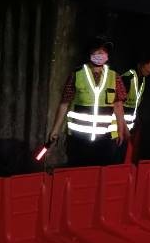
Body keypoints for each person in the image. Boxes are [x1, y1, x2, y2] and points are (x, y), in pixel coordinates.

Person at [49, 36, 129, 166]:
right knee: (78, 171)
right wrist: (55, 130)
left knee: (100, 173)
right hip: (78, 139)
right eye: (97, 50)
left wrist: (120, 129)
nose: (101, 53)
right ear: (89, 52)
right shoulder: (77, 74)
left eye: (104, 50)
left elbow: (118, 105)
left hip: (105, 140)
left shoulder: (114, 76)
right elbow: (64, 104)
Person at [115, 50, 150, 163]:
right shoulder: (128, 78)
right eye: (149, 63)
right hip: (117, 129)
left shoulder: (142, 80)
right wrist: (124, 130)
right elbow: (117, 106)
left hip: (127, 129)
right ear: (140, 64)